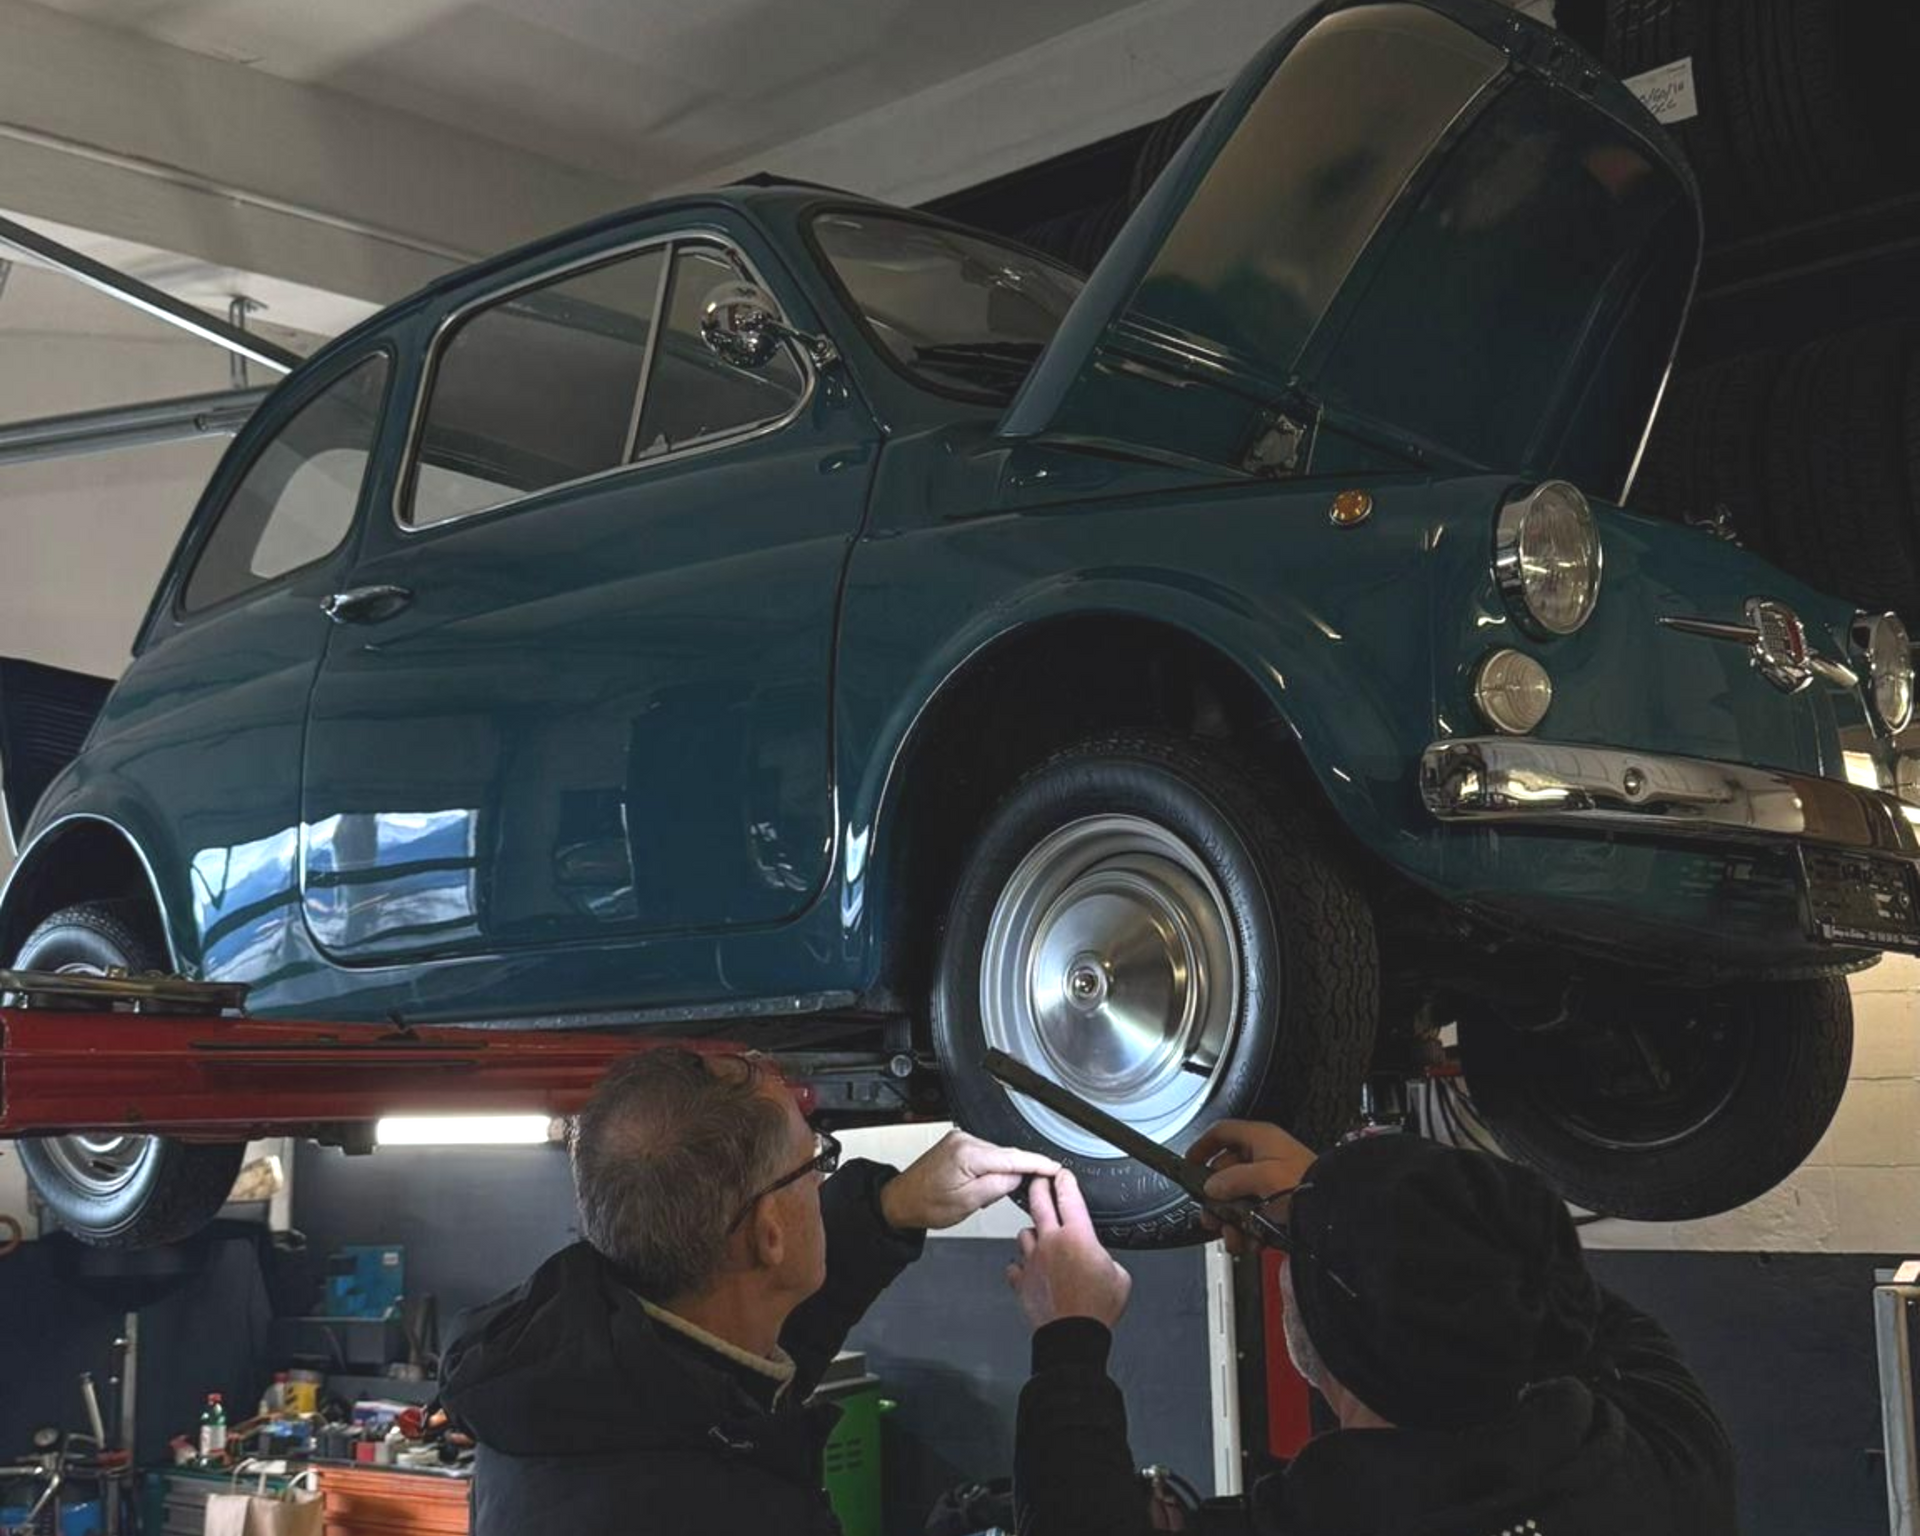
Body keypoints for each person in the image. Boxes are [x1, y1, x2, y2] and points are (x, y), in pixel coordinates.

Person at [1006, 1121, 1737, 1535]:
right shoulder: (1671, 1466)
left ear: (1338, 1347)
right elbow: (1533, 1275)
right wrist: (1343, 1198)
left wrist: (1070, 1334)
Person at [442, 1047, 1058, 1535]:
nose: (822, 1180)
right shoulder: (733, 1508)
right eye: (816, 1161)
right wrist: (1068, 1346)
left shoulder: (553, 1382)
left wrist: (889, 1207)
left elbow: (741, 1358)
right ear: (769, 1233)